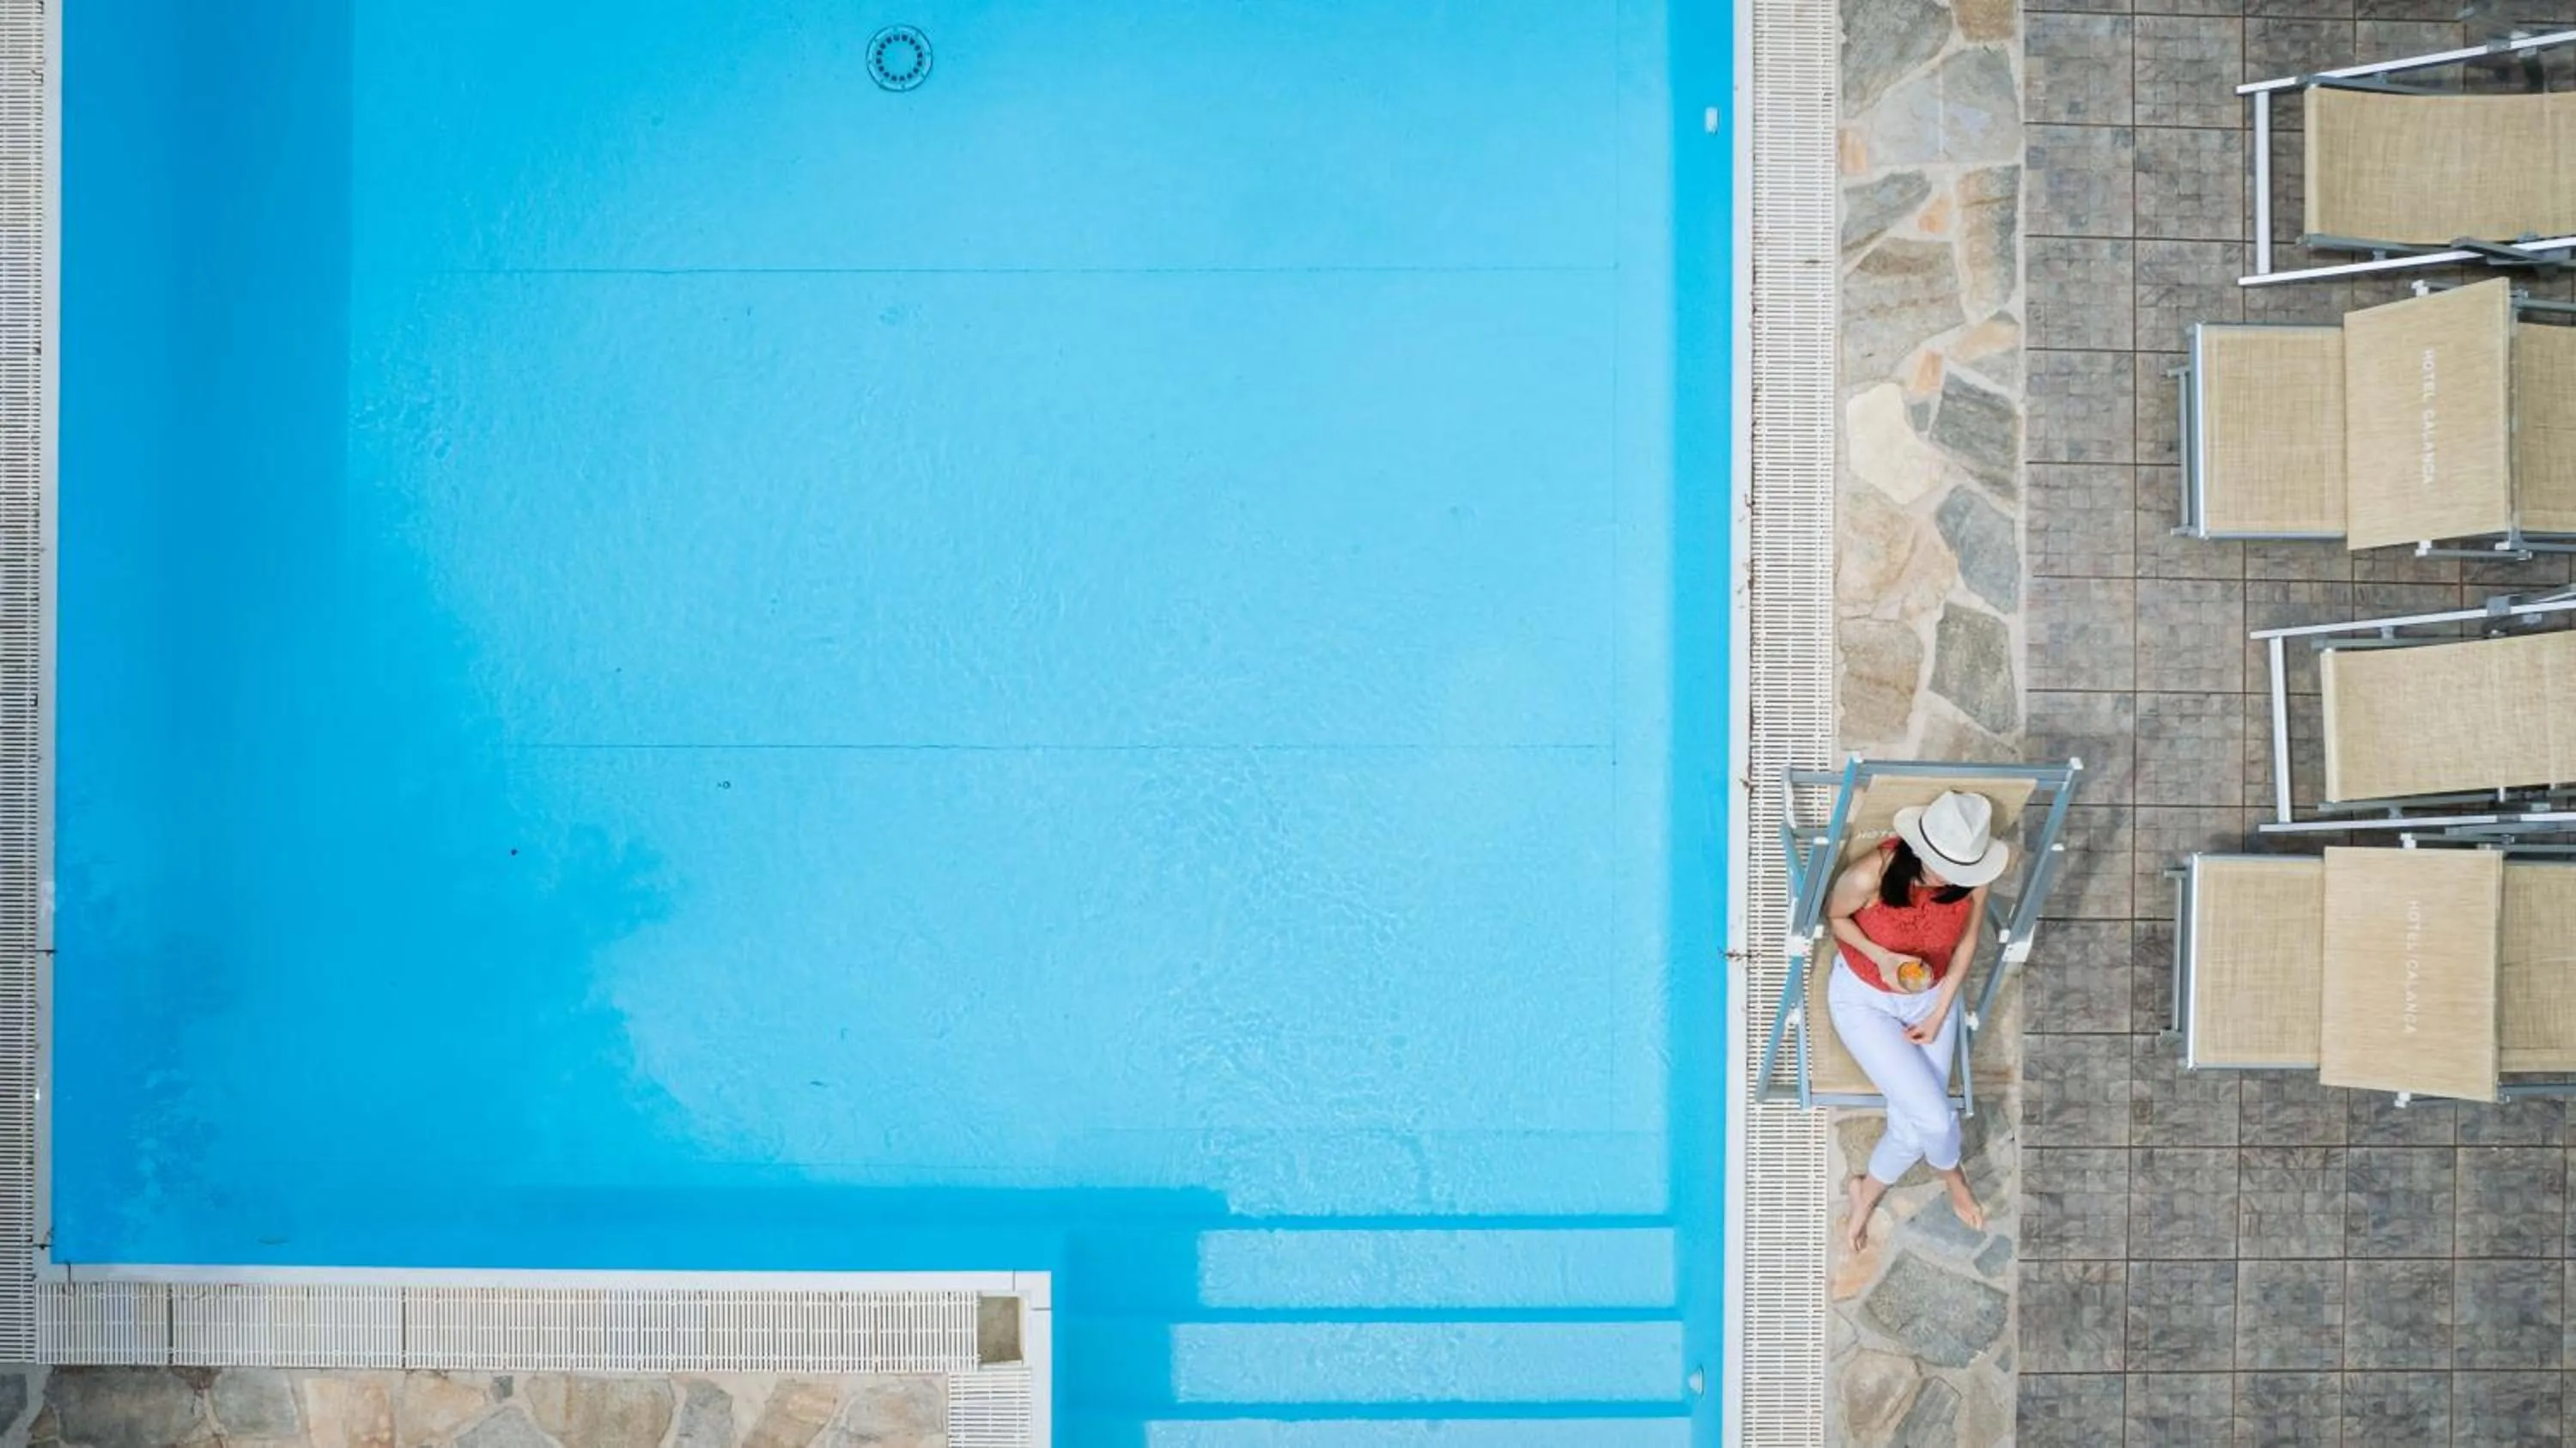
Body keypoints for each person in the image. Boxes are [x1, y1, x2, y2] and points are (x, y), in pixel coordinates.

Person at [1826, 789, 2008, 1250]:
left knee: (1913, 1125)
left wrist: (1941, 1009)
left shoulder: (1971, 878)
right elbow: (1834, 916)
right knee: (1934, 1116)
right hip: (1865, 997)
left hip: (1931, 997)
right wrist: (1881, 956)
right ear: (1920, 847)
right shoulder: (1874, 872)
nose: (1952, 877)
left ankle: (1864, 1193)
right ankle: (1954, 1178)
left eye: (1963, 867)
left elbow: (1966, 944)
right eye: (1943, 864)